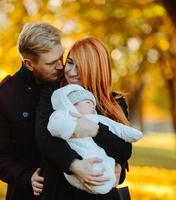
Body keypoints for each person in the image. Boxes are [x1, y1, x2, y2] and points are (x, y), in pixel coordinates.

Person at [35, 37, 132, 200]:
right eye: (70, 62)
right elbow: (44, 137)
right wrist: (75, 165)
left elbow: (124, 150)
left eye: (80, 67)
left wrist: (96, 130)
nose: (72, 72)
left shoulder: (114, 102)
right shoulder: (55, 95)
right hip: (60, 191)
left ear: (96, 69)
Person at [0, 22, 65, 200]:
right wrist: (26, 177)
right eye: (52, 62)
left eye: (62, 57)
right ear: (29, 64)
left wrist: (119, 167)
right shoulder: (5, 96)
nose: (60, 66)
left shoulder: (73, 78)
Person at [47, 84, 142, 194]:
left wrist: (96, 130)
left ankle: (102, 182)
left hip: (105, 181)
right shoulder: (63, 113)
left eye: (93, 104)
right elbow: (48, 135)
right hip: (65, 187)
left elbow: (122, 144)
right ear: (73, 105)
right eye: (88, 103)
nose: (93, 106)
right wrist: (73, 164)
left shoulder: (113, 102)